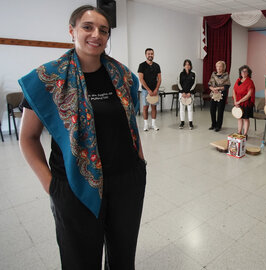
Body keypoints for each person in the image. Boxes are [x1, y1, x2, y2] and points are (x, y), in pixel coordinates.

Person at [18, 5, 146, 269]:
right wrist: (51, 186)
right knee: (80, 260)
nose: (96, 35)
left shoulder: (123, 77)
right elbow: (28, 138)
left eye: (103, 30)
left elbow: (130, 124)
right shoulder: (48, 78)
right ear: (72, 30)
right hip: (75, 185)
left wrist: (140, 163)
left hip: (126, 183)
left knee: (123, 257)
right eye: (87, 27)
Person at [138, 48, 162, 131]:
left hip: (155, 90)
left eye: (152, 53)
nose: (150, 55)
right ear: (146, 55)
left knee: (154, 107)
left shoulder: (157, 66)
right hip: (145, 90)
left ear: (153, 55)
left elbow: (159, 79)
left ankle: (153, 124)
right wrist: (148, 90)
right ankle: (146, 125)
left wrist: (156, 89)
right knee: (145, 107)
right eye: (149, 54)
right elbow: (141, 79)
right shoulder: (142, 65)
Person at [233, 65, 255, 139]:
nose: (243, 72)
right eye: (242, 71)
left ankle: (245, 134)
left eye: (245, 71)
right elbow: (234, 90)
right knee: (239, 118)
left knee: (245, 118)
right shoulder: (238, 80)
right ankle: (239, 132)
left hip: (246, 103)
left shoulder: (250, 82)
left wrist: (239, 101)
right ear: (240, 72)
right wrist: (235, 101)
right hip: (238, 102)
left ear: (248, 73)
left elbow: (249, 95)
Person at [208, 60, 230, 132]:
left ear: (223, 67)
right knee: (212, 110)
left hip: (222, 95)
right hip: (214, 94)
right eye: (217, 66)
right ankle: (213, 124)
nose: (218, 68)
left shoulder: (226, 75)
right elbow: (209, 84)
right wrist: (213, 89)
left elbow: (226, 86)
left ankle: (218, 126)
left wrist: (217, 88)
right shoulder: (213, 75)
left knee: (220, 111)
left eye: (220, 66)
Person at [177, 59, 196, 130]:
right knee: (182, 109)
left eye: (188, 64)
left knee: (190, 109)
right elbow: (178, 83)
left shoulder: (193, 74)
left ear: (190, 66)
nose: (187, 66)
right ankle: (182, 122)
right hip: (182, 94)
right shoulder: (181, 73)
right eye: (186, 64)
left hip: (190, 94)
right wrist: (182, 92)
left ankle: (190, 123)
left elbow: (194, 83)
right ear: (184, 66)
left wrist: (190, 93)